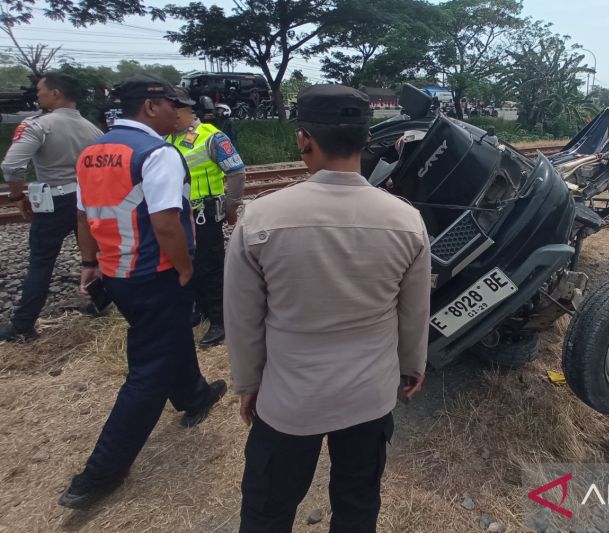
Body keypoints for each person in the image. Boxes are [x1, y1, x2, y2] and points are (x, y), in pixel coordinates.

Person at [225, 84, 431, 532]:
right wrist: (412, 366)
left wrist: (248, 383)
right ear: (365, 141)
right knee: (358, 505)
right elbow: (413, 312)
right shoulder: (406, 220)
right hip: (369, 398)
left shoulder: (261, 217)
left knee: (267, 509)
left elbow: (242, 319)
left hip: (288, 400)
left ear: (304, 139)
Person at [59, 74, 227, 509]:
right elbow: (167, 222)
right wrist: (187, 269)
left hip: (117, 273)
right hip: (156, 273)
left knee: (167, 338)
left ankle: (194, 394)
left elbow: (84, 217)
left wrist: (90, 264)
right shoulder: (157, 153)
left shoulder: (93, 152)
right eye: (175, 104)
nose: (180, 112)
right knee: (148, 370)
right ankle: (100, 472)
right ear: (151, 107)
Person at [0, 72, 102, 342]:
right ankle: (99, 305)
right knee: (92, 256)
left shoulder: (38, 125)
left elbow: (12, 166)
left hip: (53, 202)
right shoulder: (93, 129)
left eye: (40, 90)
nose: (37, 94)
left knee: (41, 262)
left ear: (55, 93)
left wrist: (17, 197)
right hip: (86, 200)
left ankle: (23, 325)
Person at [166, 87, 246, 347]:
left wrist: (232, 206)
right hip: (177, 216)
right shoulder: (166, 138)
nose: (171, 114)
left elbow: (237, 172)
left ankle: (220, 320)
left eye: (175, 109)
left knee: (211, 267)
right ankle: (199, 308)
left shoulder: (212, 137)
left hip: (205, 215)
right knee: (189, 264)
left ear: (188, 109)